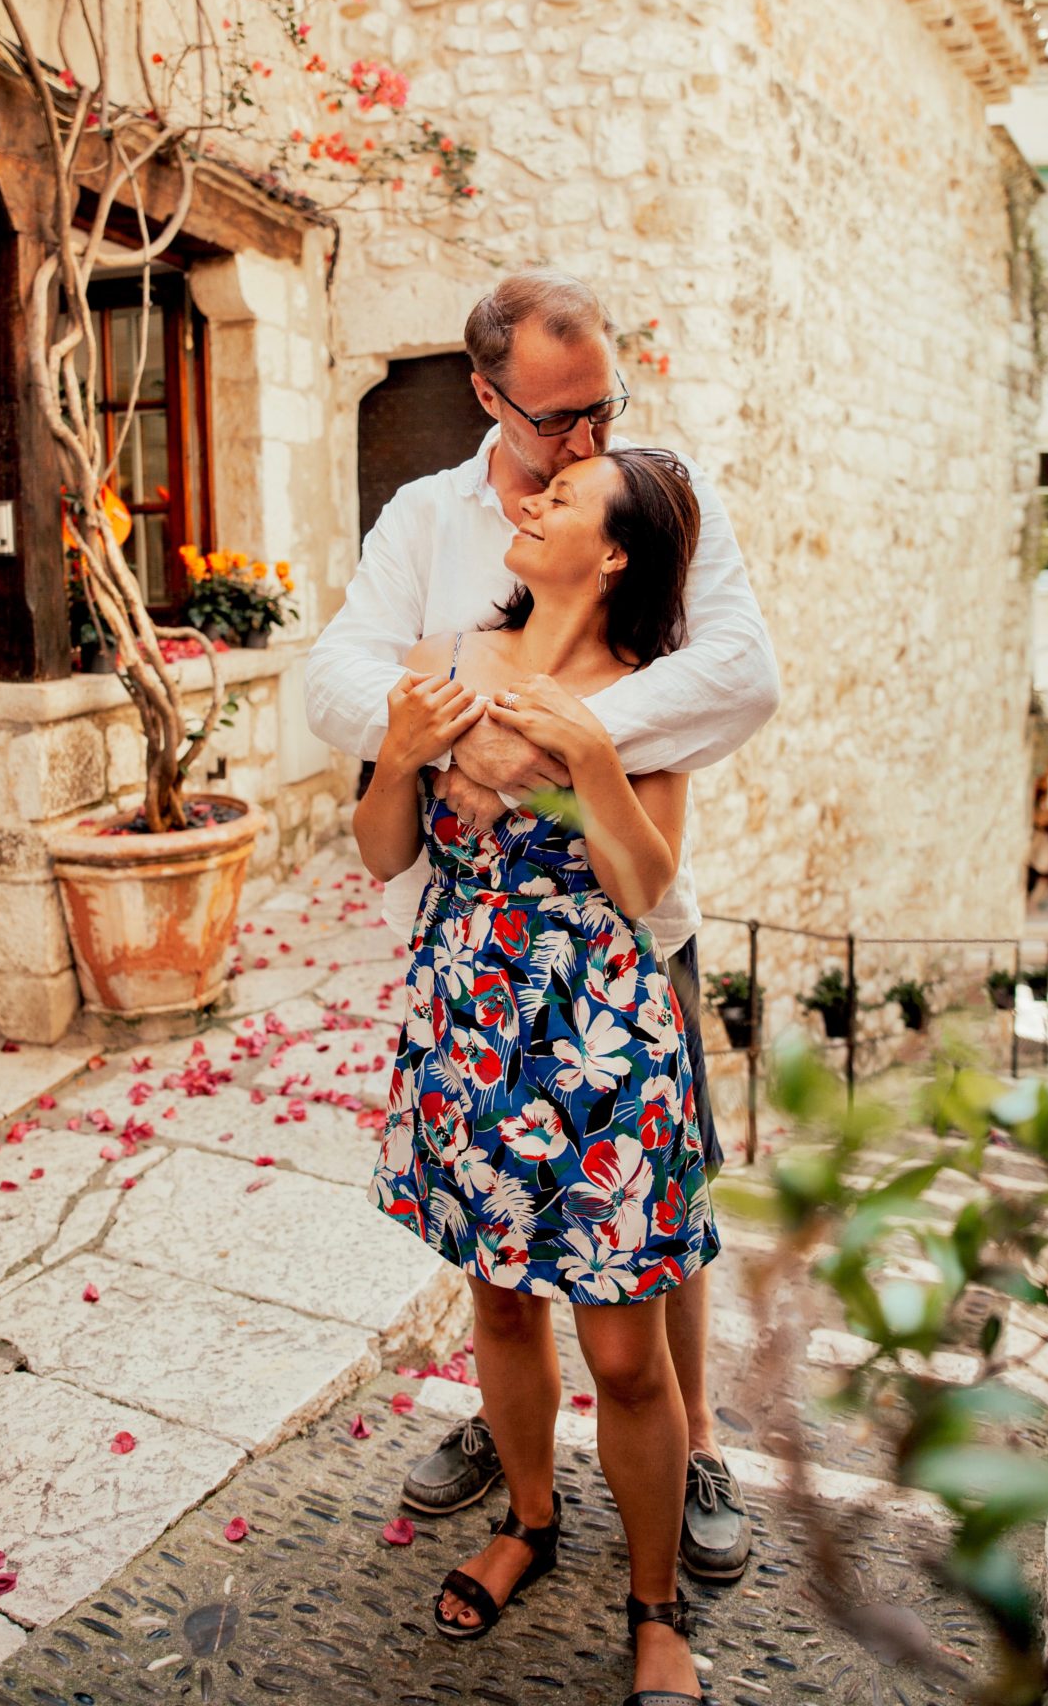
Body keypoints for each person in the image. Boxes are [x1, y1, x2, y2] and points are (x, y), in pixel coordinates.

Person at [305, 268, 779, 1588]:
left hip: (625, 945)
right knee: (499, 1256)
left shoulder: (654, 491)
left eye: (602, 408)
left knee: (658, 1220)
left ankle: (690, 1449)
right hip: (472, 954)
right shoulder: (425, 516)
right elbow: (335, 678)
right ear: (486, 394)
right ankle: (519, 1454)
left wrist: (548, 742)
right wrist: (448, 734)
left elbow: (738, 674)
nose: (587, 440)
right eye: (557, 417)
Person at [354, 445, 715, 1704]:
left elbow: (647, 887)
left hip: (602, 1045)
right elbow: (382, 851)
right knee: (501, 1305)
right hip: (467, 1027)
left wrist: (594, 760)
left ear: (613, 553)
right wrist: (398, 757)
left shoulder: (650, 697)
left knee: (627, 1355)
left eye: (565, 497)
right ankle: (530, 1518)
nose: (533, 497)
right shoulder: (447, 657)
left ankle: (656, 1602)